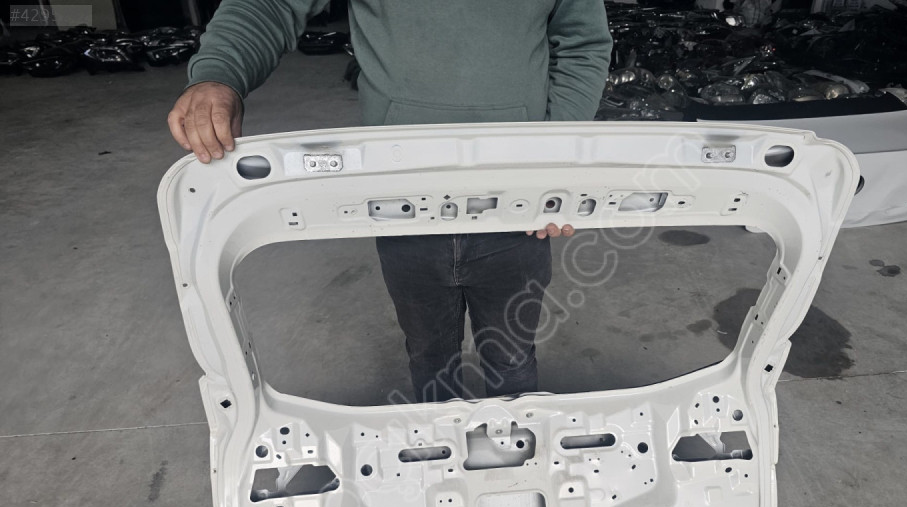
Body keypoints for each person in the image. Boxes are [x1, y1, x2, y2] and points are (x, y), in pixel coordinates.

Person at [168, 0, 612, 403]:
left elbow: (583, 43)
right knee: (430, 357)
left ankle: (519, 454)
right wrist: (219, 74)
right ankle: (439, 451)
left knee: (511, 359)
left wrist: (553, 162)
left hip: (516, 208)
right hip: (403, 207)